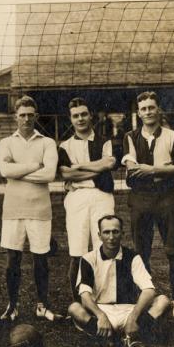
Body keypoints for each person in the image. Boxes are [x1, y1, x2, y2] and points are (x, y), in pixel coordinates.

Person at [122, 91, 174, 323]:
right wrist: (164, 168)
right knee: (141, 254)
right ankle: (145, 301)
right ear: (138, 113)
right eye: (143, 109)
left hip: (167, 198)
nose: (148, 112)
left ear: (158, 109)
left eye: (151, 107)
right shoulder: (130, 137)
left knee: (173, 251)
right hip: (141, 198)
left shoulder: (172, 136)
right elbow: (132, 168)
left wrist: (153, 170)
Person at [69, 215, 171, 347]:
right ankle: (128, 338)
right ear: (99, 235)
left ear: (122, 234)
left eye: (115, 232)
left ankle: (111, 338)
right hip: (101, 310)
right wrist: (101, 316)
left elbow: (149, 290)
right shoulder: (88, 259)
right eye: (106, 232)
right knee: (74, 308)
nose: (111, 237)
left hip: (128, 310)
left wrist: (133, 317)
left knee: (164, 301)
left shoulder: (133, 257)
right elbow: (85, 296)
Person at [0, 95, 60, 322]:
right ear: (16, 116)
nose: (26, 119)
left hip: (40, 209)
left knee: (40, 259)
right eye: (22, 115)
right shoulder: (6, 142)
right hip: (13, 209)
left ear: (36, 116)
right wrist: (35, 165)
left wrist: (19, 171)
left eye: (30, 115)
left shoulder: (47, 142)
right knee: (12, 259)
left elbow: (50, 174)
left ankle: (42, 304)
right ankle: (12, 305)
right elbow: (5, 171)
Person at [58, 98, 116, 303]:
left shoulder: (104, 140)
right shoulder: (64, 146)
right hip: (77, 198)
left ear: (90, 115)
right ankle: (80, 302)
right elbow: (65, 173)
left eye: (84, 114)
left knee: (105, 246)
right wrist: (94, 167)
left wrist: (78, 168)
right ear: (71, 119)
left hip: (102, 196)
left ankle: (106, 298)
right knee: (78, 250)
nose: (80, 119)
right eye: (76, 116)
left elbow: (108, 163)